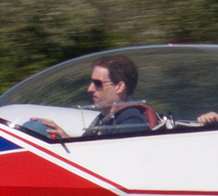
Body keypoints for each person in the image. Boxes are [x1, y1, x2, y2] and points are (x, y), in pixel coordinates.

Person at [24, 55, 153, 140]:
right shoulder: (106, 117)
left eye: (98, 83)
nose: (90, 89)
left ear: (119, 87)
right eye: (91, 82)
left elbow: (112, 163)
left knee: (35, 129)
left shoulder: (131, 120)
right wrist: (65, 137)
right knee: (39, 126)